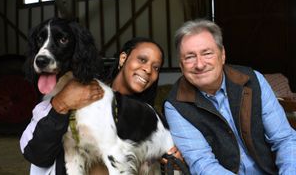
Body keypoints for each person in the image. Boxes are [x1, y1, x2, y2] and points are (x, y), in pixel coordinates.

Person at [20, 37, 182, 174]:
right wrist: (61, 104)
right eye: (142, 59)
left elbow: (165, 163)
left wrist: (168, 160)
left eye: (156, 67)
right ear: (123, 58)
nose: (147, 69)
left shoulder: (149, 117)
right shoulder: (65, 93)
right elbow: (35, 154)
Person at [164, 19, 296, 175]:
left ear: (222, 55)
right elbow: (203, 164)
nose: (199, 64)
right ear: (181, 65)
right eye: (190, 57)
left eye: (207, 53)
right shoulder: (175, 105)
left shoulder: (253, 80)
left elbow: (284, 139)